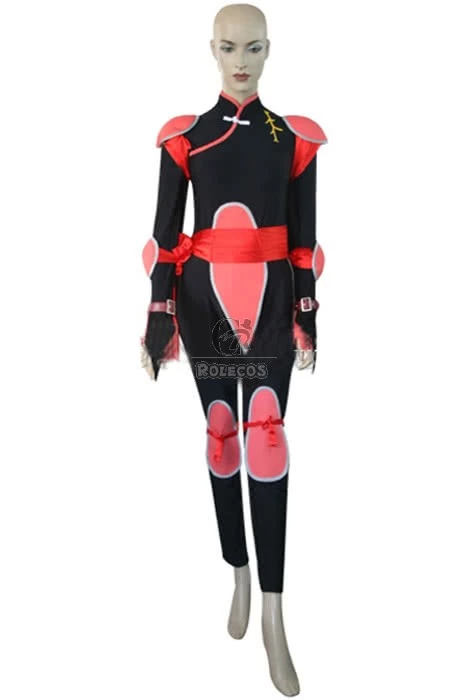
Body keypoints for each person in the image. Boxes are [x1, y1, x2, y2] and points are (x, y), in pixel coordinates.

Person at [140, 4, 327, 696]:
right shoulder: (185, 137)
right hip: (203, 304)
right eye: (228, 47)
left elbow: (305, 238)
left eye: (252, 48)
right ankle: (238, 571)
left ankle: (275, 613)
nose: (240, 61)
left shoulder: (293, 139)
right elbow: (164, 237)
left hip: (272, 304)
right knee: (222, 435)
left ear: (269, 50)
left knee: (267, 436)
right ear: (212, 50)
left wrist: (307, 313)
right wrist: (157, 317)